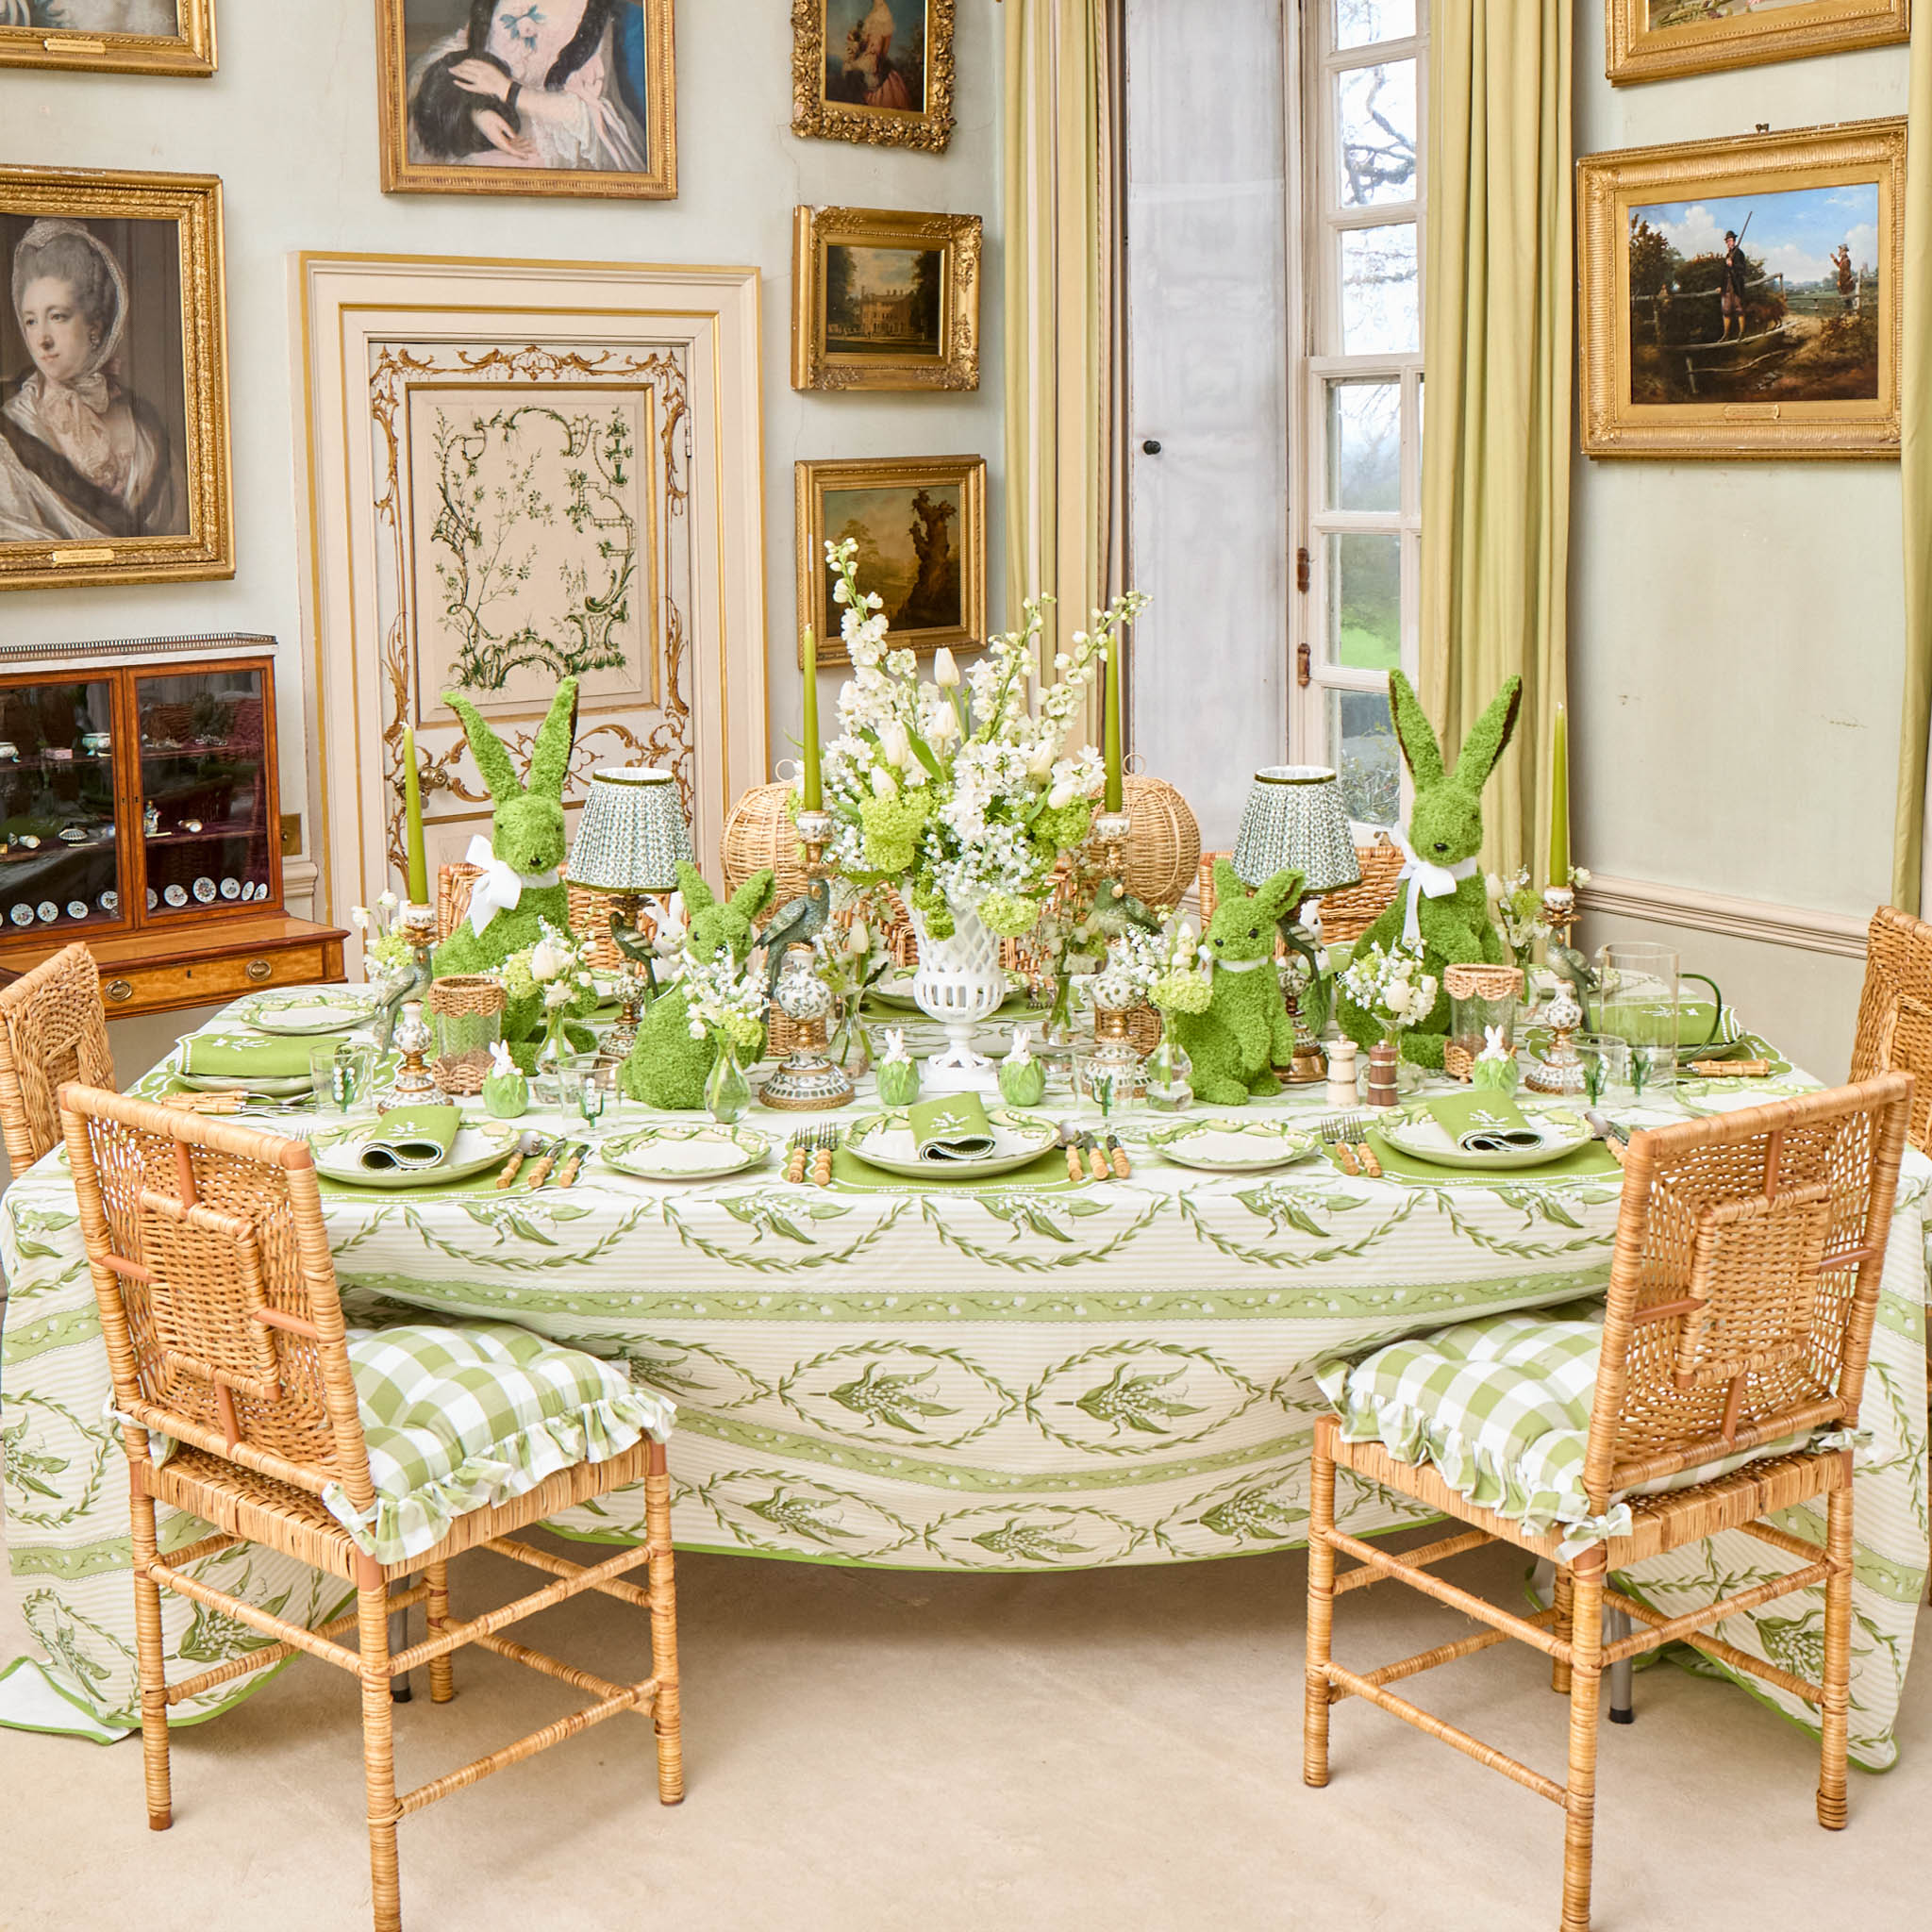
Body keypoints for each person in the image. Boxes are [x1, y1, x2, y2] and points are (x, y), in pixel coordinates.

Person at [0, 218, 181, 543]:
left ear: (94, 327)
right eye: (30, 321)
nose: (42, 339)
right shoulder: (12, 426)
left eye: (57, 316)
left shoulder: (145, 427)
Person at [408, 0, 646, 172]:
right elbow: (463, 62)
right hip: (479, 124)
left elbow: (585, 113)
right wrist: (476, 111)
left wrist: (508, 90)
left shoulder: (590, 12)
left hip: (549, 139)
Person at [841, 0, 912, 111]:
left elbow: (874, 57)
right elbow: (867, 44)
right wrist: (856, 40)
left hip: (877, 78)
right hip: (870, 70)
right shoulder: (875, 11)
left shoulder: (881, 14)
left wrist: (852, 64)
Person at [1717, 228, 1750, 342]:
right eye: (1727, 241)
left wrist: (1733, 265)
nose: (1729, 243)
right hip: (1727, 287)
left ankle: (1742, 333)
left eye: (1731, 240)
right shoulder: (1727, 255)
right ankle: (1726, 334)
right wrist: (1721, 286)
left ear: (1734, 241)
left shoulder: (1739, 254)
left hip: (1736, 286)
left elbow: (1743, 270)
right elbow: (1723, 273)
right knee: (1726, 310)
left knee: (1739, 309)